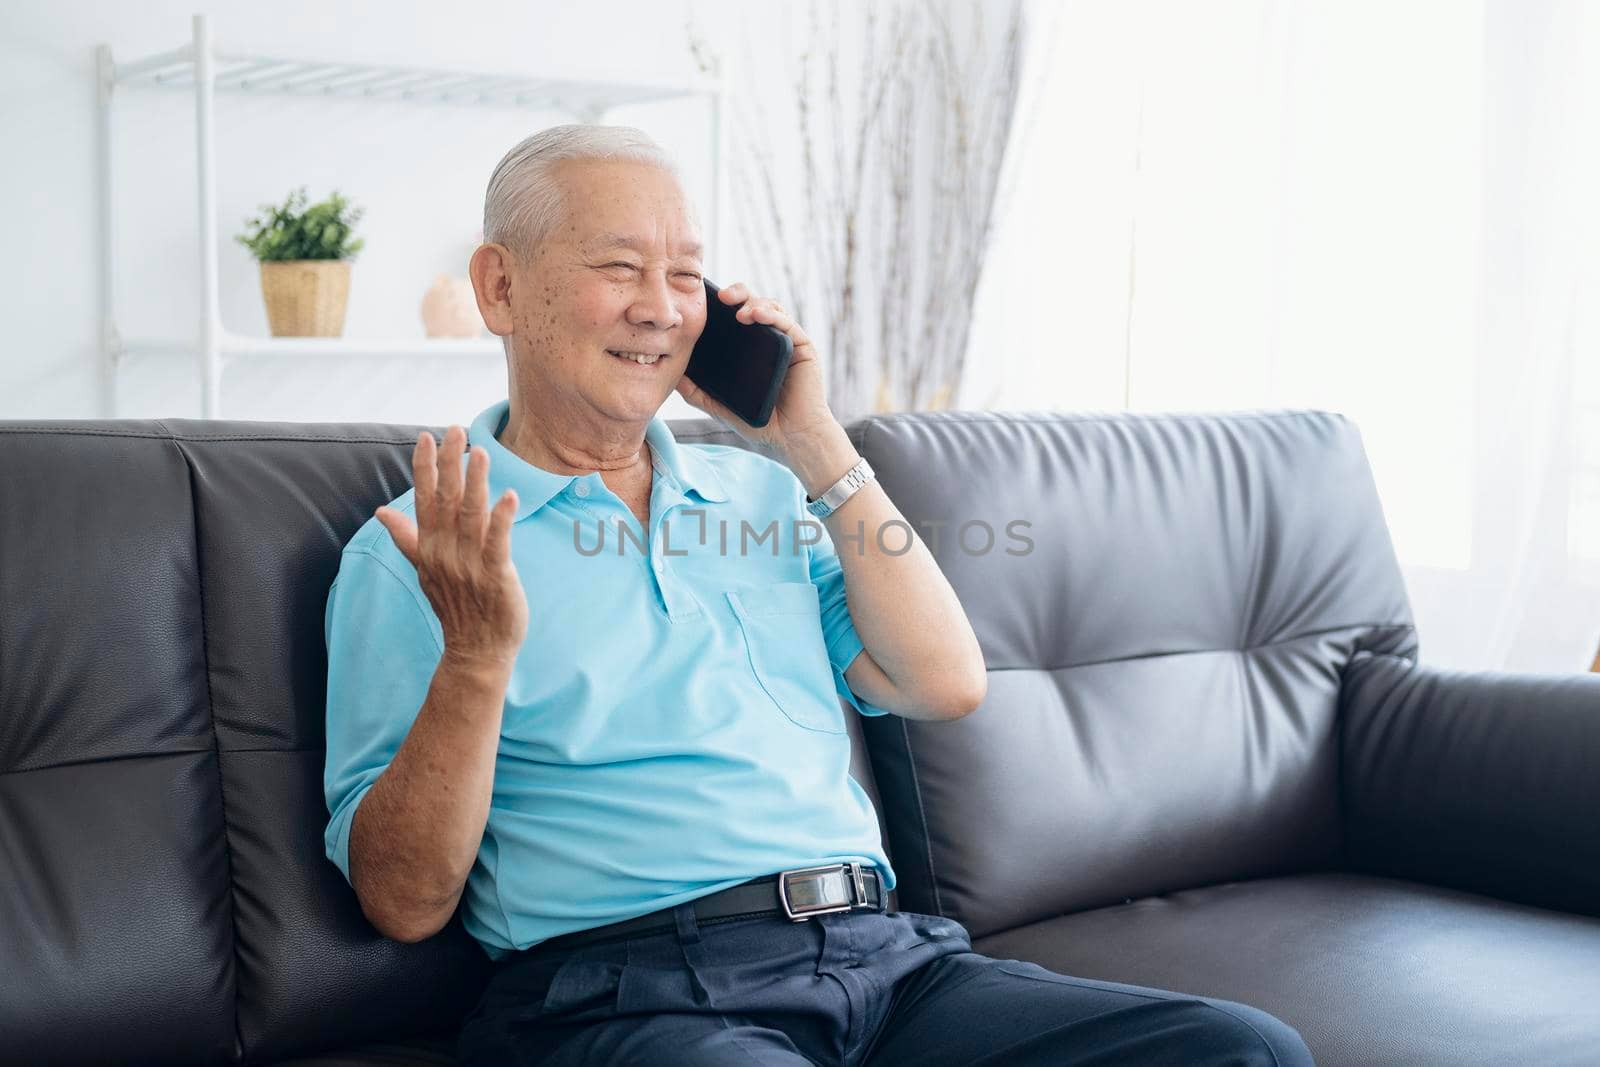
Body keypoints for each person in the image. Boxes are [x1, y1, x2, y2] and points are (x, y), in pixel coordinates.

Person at [321, 124, 1315, 1066]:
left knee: (1240, 1046)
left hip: (890, 961)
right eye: (619, 267)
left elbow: (943, 681)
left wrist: (811, 440)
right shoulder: (419, 550)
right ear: (500, 286)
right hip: (629, 986)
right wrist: (478, 654)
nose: (661, 306)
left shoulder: (762, 495)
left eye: (683, 273)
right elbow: (404, 899)